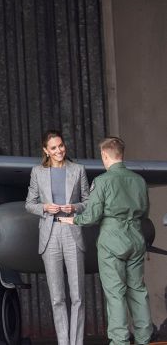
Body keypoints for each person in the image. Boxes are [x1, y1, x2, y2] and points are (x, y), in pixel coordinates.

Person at [59, 137, 153, 345]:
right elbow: (145, 212)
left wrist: (73, 219)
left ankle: (120, 341)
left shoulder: (102, 181)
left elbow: (92, 216)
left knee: (115, 292)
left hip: (112, 240)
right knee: (137, 289)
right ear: (121, 154)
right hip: (136, 237)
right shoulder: (139, 181)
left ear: (104, 155)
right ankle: (144, 338)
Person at [26, 130, 89, 345]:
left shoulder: (78, 170)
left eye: (60, 145)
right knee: (57, 298)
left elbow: (88, 203)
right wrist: (44, 207)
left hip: (72, 231)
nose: (59, 150)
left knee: (78, 296)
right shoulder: (37, 172)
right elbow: (29, 204)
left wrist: (74, 207)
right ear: (46, 150)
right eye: (53, 148)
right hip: (50, 234)